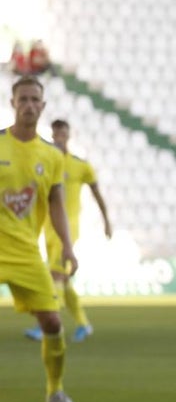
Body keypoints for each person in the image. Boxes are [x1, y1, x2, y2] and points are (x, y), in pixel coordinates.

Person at [1, 77, 81, 402]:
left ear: (43, 106)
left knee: (52, 321)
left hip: (25, 251)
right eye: (24, 99)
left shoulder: (51, 156)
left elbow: (56, 203)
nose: (30, 105)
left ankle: (55, 391)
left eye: (36, 99)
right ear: (13, 103)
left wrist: (67, 245)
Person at [23, 119, 112, 343]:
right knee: (63, 278)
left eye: (63, 134)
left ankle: (47, 325)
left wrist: (106, 221)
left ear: (69, 135)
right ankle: (83, 324)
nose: (59, 137)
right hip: (47, 227)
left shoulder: (81, 165)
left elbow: (97, 194)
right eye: (56, 134)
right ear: (52, 135)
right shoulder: (47, 161)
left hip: (68, 227)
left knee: (55, 274)